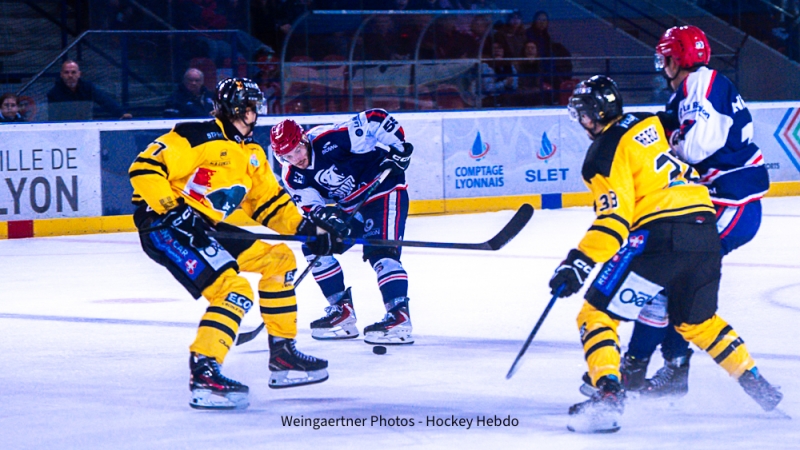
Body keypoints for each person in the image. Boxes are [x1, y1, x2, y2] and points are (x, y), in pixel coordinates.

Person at [554, 75, 782, 433]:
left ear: (595, 114)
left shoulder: (600, 155)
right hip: (706, 229)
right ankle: (756, 383)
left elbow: (614, 221)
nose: (583, 123)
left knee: (595, 313)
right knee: (698, 322)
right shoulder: (649, 120)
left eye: (583, 115)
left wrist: (577, 262)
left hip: (661, 238)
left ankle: (609, 396)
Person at [129, 78, 337, 410]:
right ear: (236, 108)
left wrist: (312, 230)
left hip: (205, 227)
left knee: (279, 259)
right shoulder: (196, 136)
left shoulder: (251, 154)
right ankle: (205, 371)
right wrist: (173, 209)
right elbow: (144, 169)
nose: (257, 113)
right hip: (165, 224)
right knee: (234, 289)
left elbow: (270, 205)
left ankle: (283, 355)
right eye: (252, 106)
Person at [618, 25, 771, 398]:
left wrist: (663, 143)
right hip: (724, 204)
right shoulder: (692, 90)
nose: (662, 65)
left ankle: (643, 368)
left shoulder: (698, 84)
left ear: (678, 58)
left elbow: (697, 145)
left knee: (666, 278)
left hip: (729, 203)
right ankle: (672, 367)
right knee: (675, 284)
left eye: (666, 57)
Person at [269, 109, 415, 345]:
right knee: (316, 246)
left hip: (384, 190)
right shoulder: (292, 176)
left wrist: (399, 148)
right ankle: (342, 312)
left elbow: (375, 119)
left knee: (381, 252)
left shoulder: (330, 138)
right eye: (288, 155)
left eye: (297, 150)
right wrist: (327, 219)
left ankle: (399, 316)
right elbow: (312, 208)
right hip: (350, 205)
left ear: (304, 140)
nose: (296, 158)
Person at [47, 60, 132, 122]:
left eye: (73, 72)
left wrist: (121, 113)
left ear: (79, 74)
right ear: (61, 74)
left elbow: (104, 100)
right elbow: (54, 117)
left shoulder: (87, 87)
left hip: (85, 125)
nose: (70, 75)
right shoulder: (54, 93)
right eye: (66, 72)